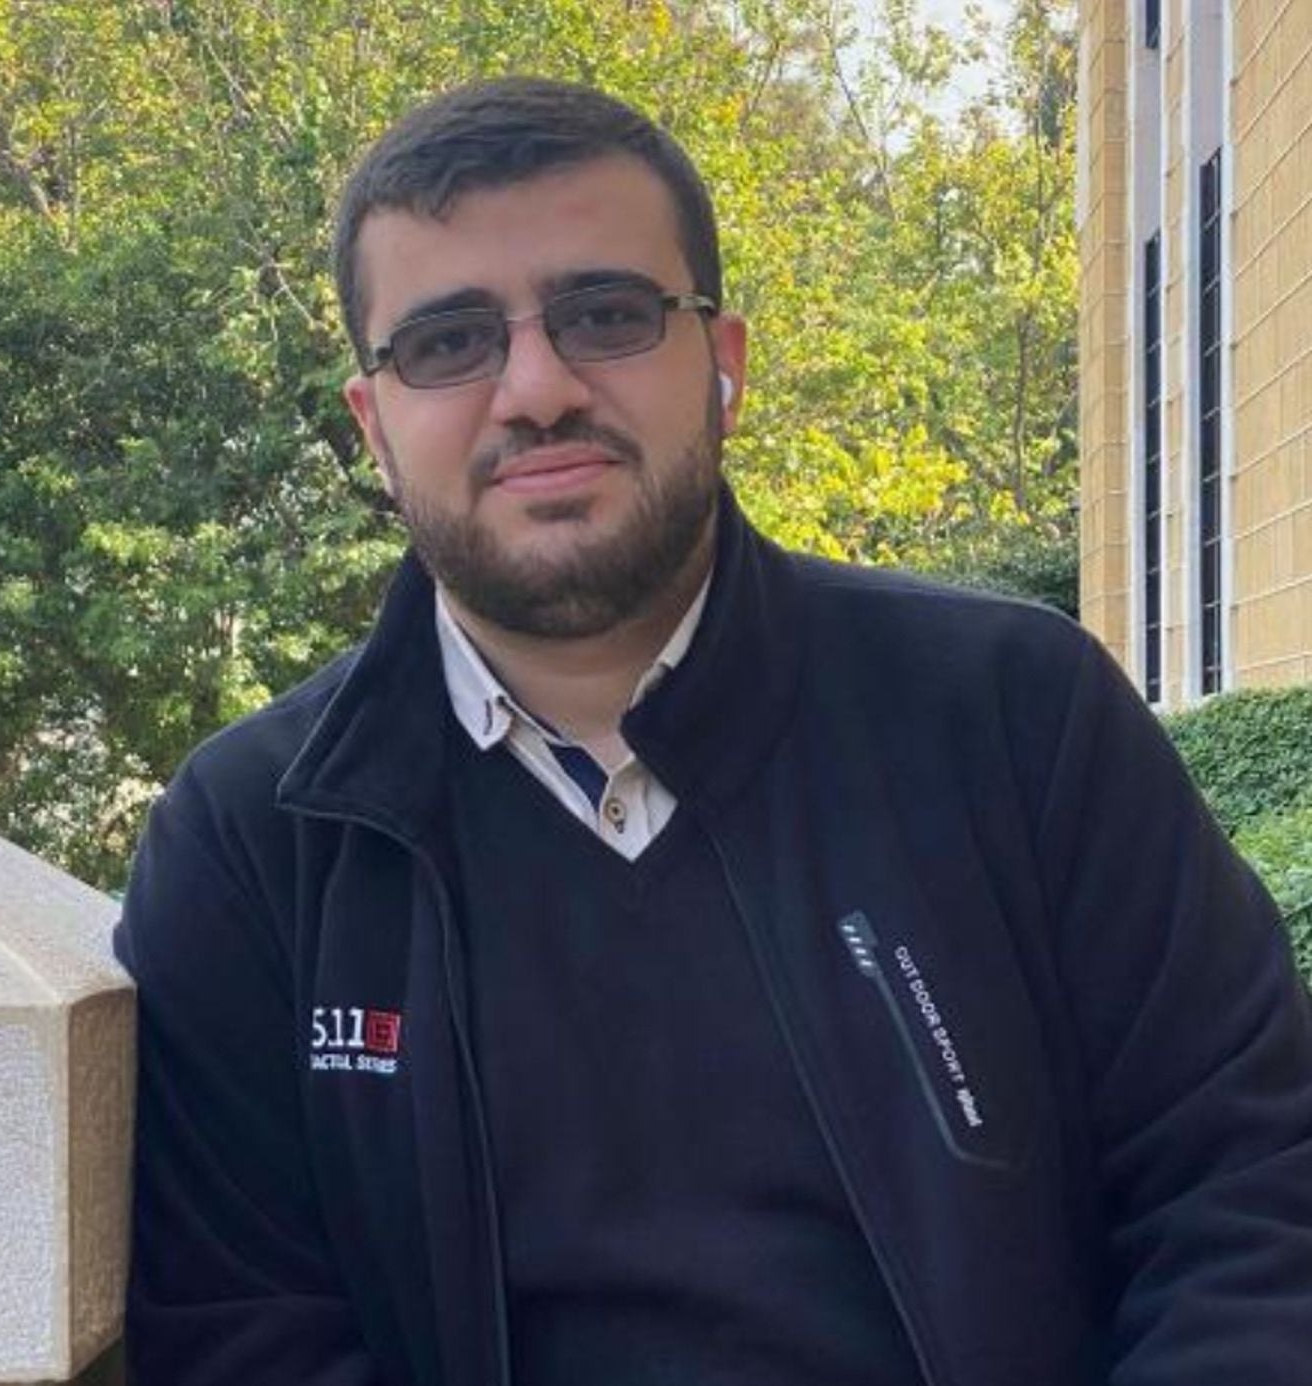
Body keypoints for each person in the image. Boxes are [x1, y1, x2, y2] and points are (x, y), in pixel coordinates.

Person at [115, 76, 1312, 1386]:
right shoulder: (256, 847)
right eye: (448, 343)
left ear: (724, 364)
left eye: (606, 314)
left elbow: (1252, 1195)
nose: (536, 389)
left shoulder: (1019, 720)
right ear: (374, 428)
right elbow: (240, 1335)